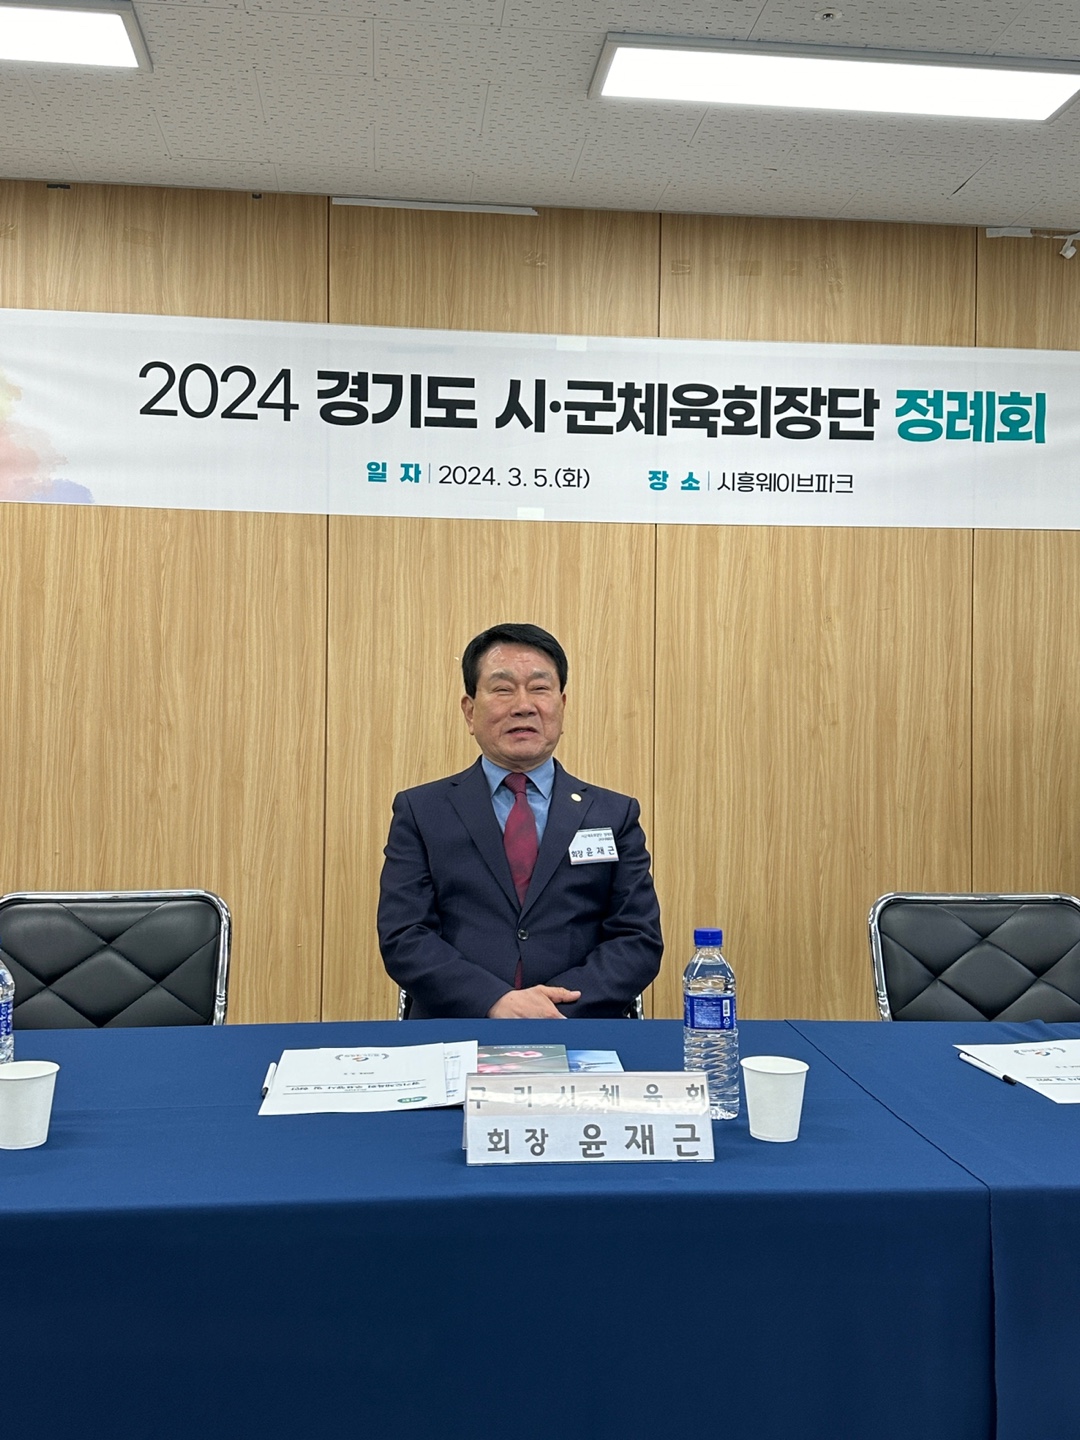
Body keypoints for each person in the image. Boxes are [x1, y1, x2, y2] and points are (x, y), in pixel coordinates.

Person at [377, 623, 663, 1019]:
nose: (523, 706)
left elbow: (637, 939)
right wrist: (493, 1000)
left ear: (562, 705)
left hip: (578, 1025)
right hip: (458, 1024)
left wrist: (552, 1007)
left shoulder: (614, 814)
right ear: (470, 711)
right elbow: (405, 935)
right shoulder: (422, 811)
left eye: (540, 688)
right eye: (503, 689)